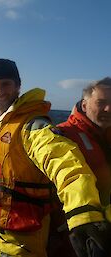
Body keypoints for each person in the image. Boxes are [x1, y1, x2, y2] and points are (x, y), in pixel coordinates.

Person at [0, 58, 111, 257]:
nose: (0, 92)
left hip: (20, 247)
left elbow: (65, 163)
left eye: (6, 84)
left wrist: (84, 213)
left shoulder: (32, 125)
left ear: (18, 86)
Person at [54, 78, 111, 257]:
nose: (108, 109)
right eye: (101, 103)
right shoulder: (62, 137)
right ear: (84, 105)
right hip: (77, 237)